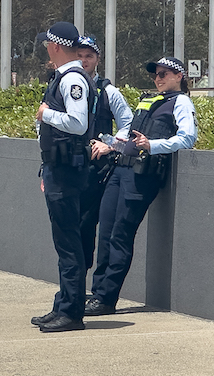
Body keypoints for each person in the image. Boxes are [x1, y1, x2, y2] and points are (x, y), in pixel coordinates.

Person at [85, 57, 197, 316]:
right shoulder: (147, 100)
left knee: (120, 235)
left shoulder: (181, 102)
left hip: (143, 175)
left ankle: (106, 298)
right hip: (120, 169)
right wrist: (111, 144)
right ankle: (96, 293)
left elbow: (187, 138)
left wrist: (153, 145)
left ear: (179, 76)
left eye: (164, 74)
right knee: (105, 234)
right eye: (156, 75)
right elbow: (129, 137)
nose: (158, 79)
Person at [30, 22, 96, 333]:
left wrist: (46, 114)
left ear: (56, 46)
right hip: (59, 169)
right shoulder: (64, 77)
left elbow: (78, 124)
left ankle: (71, 312)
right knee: (65, 241)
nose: (46, 49)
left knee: (69, 243)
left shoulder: (72, 80)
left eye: (47, 45)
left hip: (68, 172)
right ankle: (63, 304)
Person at [75, 36, 134, 276]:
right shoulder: (64, 87)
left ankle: (82, 284)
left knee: (88, 226)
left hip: (96, 172)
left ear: (98, 59)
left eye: (89, 56)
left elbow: (129, 125)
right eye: (79, 55)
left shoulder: (109, 91)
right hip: (68, 167)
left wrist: (109, 145)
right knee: (71, 228)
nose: (83, 60)